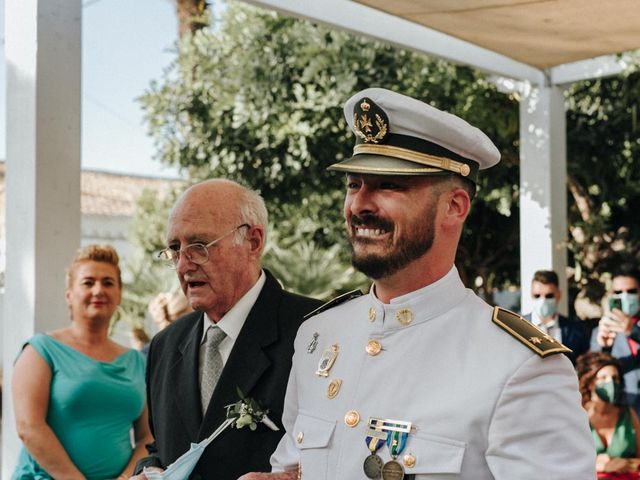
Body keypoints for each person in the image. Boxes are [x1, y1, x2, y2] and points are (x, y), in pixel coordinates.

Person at [242, 88, 595, 479]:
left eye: (389, 185)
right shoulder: (320, 335)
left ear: (455, 206)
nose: (360, 204)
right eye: (354, 184)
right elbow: (300, 464)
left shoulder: (521, 366)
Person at [132, 180, 322, 479]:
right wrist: (148, 470)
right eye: (174, 249)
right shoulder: (165, 345)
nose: (183, 266)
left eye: (198, 247)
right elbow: (162, 446)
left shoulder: (316, 329)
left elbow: (349, 447)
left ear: (253, 242)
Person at [12, 244, 152, 480]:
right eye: (88, 282)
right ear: (70, 294)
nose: (98, 290)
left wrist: (126, 478)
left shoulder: (137, 361)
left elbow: (147, 436)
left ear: (118, 294)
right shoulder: (41, 350)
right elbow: (29, 427)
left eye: (108, 283)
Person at [577, 352, 640, 477]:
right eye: (603, 378)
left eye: (615, 378)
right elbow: (566, 458)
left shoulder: (629, 414)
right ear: (590, 383)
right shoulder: (578, 415)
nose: (611, 383)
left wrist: (626, 462)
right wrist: (600, 465)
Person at [592, 263, 640, 413]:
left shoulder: (634, 329)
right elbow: (592, 373)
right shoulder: (601, 330)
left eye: (631, 291)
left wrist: (634, 331)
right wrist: (605, 347)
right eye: (618, 292)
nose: (624, 297)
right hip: (620, 412)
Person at [523, 269, 591, 364]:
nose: (543, 301)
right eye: (537, 296)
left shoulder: (576, 330)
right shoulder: (518, 327)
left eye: (549, 296)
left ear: (558, 295)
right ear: (531, 294)